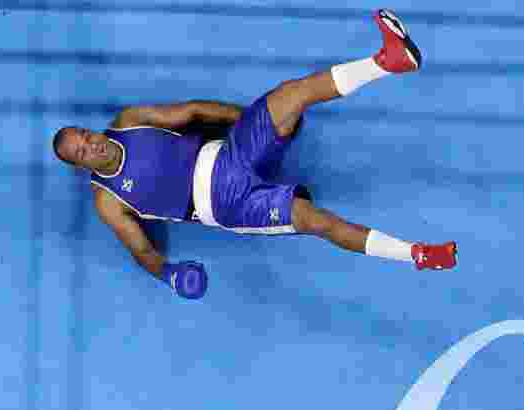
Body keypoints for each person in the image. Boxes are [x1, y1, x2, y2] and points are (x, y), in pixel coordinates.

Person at [51, 9, 457, 300]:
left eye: (84, 134)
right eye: (82, 150)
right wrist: (168, 275)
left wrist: (254, 121)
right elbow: (141, 250)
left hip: (231, 153)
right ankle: (418, 254)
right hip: (229, 204)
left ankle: (387, 61)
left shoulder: (129, 121)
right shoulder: (109, 201)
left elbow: (192, 111)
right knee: (318, 221)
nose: (91, 144)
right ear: (80, 165)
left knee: (289, 95)